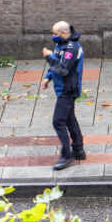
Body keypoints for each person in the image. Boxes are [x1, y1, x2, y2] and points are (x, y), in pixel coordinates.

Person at [41, 21, 85, 170]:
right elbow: (56, 63)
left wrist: (48, 57)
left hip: (68, 90)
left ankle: (66, 156)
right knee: (69, 120)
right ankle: (78, 150)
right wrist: (48, 77)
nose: (53, 37)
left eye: (55, 34)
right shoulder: (61, 44)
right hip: (62, 88)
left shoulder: (72, 48)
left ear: (64, 33)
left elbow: (63, 68)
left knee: (58, 121)